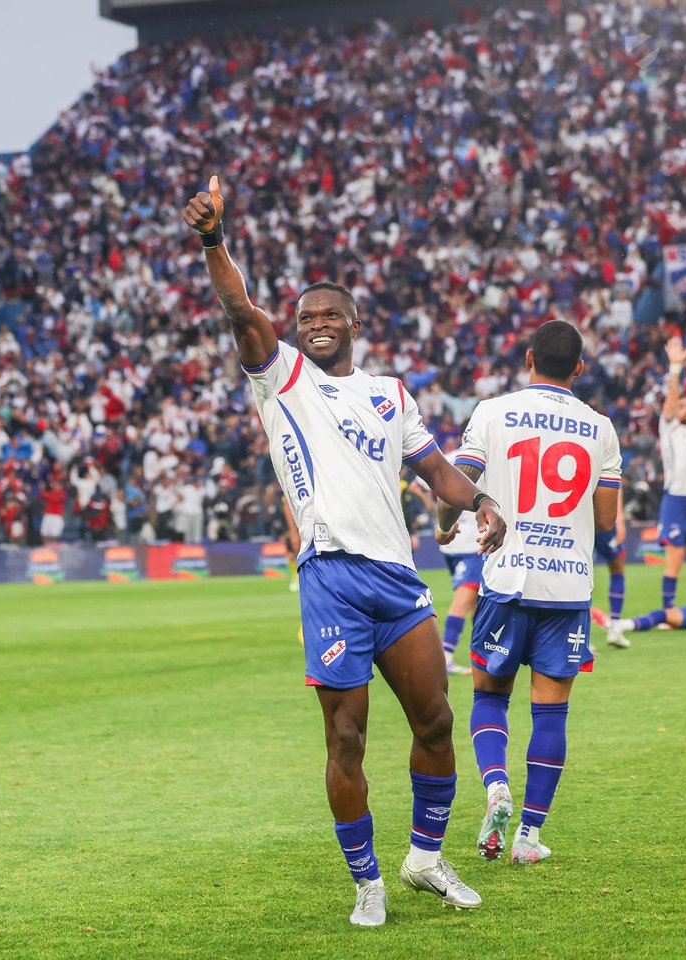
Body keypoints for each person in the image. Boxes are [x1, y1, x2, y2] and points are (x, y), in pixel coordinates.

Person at [184, 177, 505, 926]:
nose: (317, 324)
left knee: (436, 721)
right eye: (306, 317)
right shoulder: (281, 376)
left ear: (355, 323)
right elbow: (240, 309)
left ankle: (424, 858)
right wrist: (213, 240)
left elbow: (436, 471)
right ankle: (367, 882)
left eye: (330, 315)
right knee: (346, 736)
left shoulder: (391, 394)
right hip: (330, 577)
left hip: (397, 577)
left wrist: (482, 502)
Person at [437, 319, 622, 867]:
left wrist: (447, 525)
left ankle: (496, 785)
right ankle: (528, 836)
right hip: (568, 586)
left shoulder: (493, 412)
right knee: (552, 715)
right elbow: (606, 520)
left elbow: (456, 482)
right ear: (580, 368)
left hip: (507, 578)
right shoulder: (601, 428)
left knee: (490, 697)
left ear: (527, 359)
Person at [434, 458, 482, 676]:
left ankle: (486, 653)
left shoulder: (447, 456)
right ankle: (446, 656)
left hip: (451, 542)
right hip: (471, 543)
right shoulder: (483, 459)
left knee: (477, 603)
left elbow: (423, 484)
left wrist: (440, 520)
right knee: (465, 599)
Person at [655, 337, 686, 611]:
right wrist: (675, 369)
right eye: (681, 405)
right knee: (675, 557)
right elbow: (670, 403)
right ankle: (669, 612)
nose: (684, 409)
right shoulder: (669, 427)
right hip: (677, 497)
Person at [589, 488, 628, 646]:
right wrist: (620, 520)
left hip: (581, 517)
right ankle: (615, 627)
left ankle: (582, 635)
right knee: (616, 568)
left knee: (580, 573)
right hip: (602, 516)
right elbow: (615, 483)